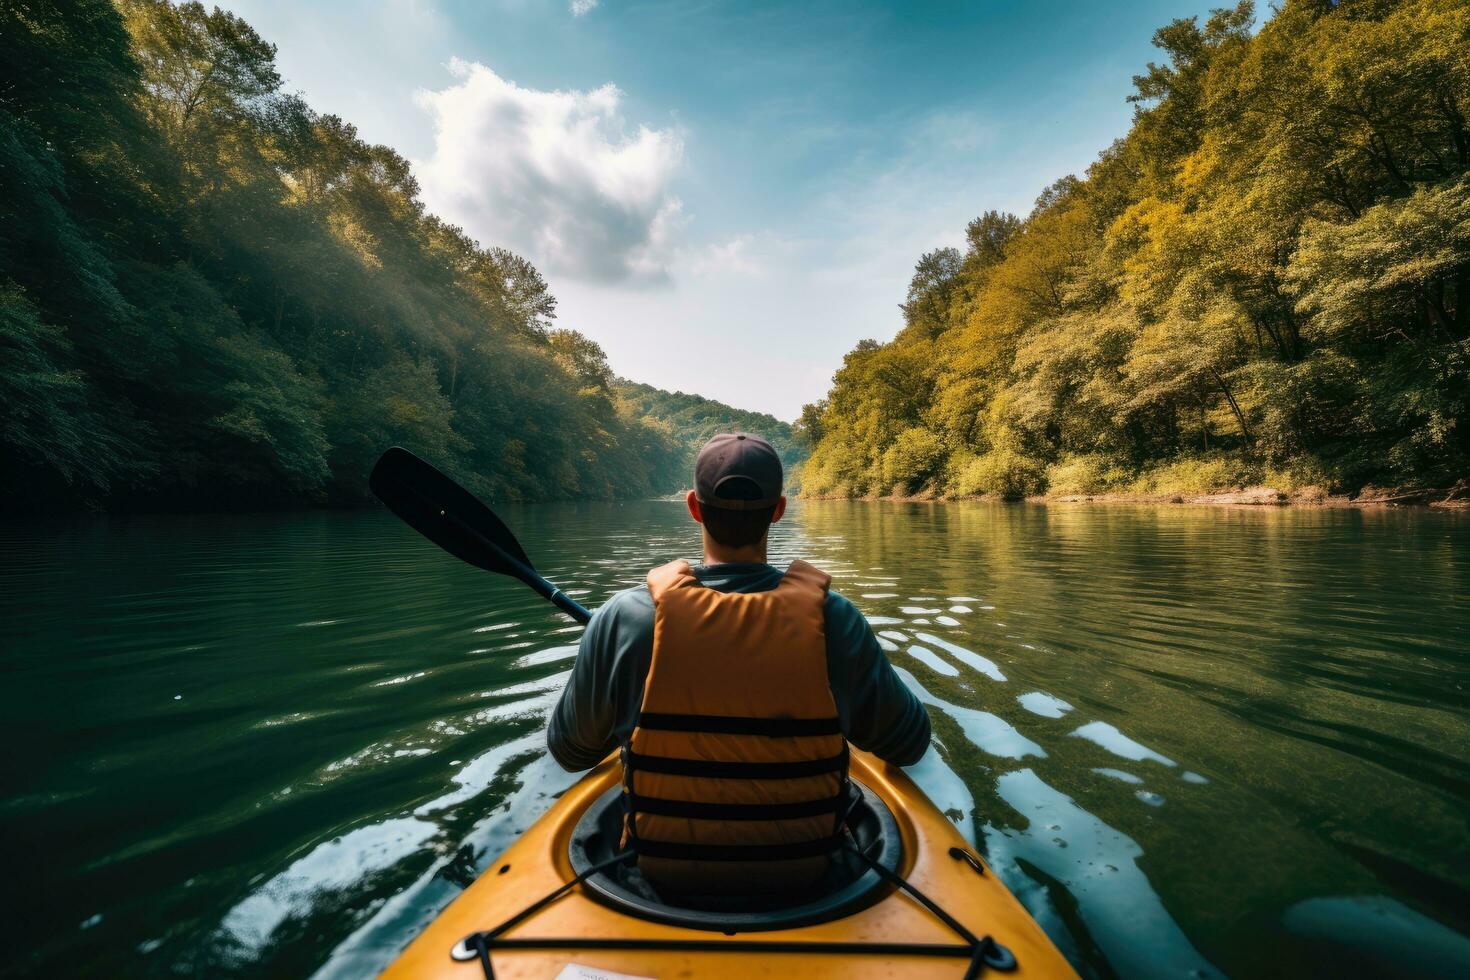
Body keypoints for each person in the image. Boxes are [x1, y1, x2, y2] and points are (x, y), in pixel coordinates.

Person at [548, 432, 930, 893]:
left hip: (655, 883)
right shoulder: (836, 619)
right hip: (811, 883)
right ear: (778, 510)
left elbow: (571, 752)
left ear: (693, 506)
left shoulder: (624, 617)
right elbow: (909, 744)